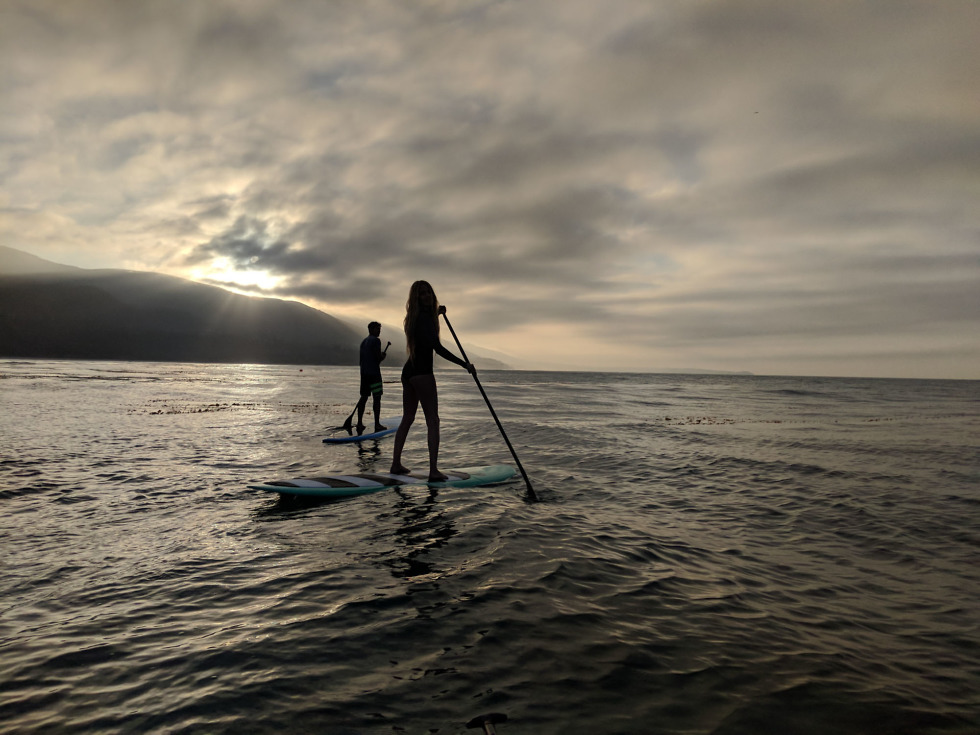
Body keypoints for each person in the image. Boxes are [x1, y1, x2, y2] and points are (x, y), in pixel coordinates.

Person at [390, 281, 474, 481]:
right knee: (433, 421)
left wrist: (436, 313)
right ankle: (433, 471)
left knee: (408, 417)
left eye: (428, 292)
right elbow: (438, 348)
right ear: (416, 298)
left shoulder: (413, 318)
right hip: (422, 373)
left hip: (408, 372)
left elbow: (425, 332)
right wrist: (464, 364)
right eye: (422, 294)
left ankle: (395, 464)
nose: (427, 296)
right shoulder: (425, 319)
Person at [355, 321, 388, 434]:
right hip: (374, 374)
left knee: (364, 397)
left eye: (379, 329)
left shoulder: (363, 342)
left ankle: (359, 423)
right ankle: (377, 424)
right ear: (371, 329)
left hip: (364, 373)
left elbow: (362, 360)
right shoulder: (376, 341)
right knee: (377, 398)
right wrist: (383, 356)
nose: (379, 331)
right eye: (377, 329)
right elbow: (378, 358)